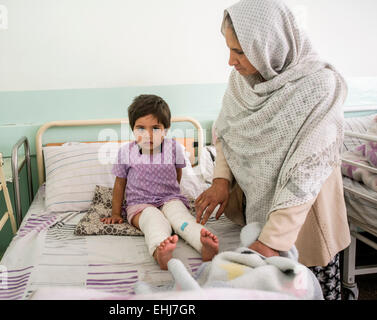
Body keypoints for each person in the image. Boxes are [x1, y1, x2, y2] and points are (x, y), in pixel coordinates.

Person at [195, 0, 350, 300]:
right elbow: (228, 132)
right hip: (259, 210)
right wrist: (221, 180)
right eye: (228, 49)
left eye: (239, 51)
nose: (230, 61)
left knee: (303, 284)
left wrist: (271, 240)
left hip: (304, 215)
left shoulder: (320, 87)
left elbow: (305, 174)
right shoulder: (241, 83)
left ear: (269, 45)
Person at [101, 94, 219, 270]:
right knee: (153, 220)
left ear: (166, 128)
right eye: (141, 128)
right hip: (140, 205)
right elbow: (120, 184)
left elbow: (177, 173)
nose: (148, 135)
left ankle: (203, 244)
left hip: (169, 198)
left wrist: (173, 196)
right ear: (132, 128)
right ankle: (159, 250)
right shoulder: (126, 152)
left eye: (155, 128)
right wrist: (116, 213)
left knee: (181, 219)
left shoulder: (174, 148)